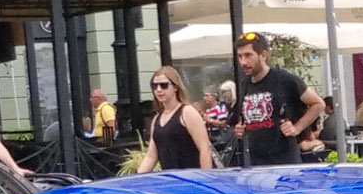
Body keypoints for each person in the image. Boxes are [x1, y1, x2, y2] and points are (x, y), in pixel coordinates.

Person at [232, 32, 324, 165]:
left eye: (248, 56)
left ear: (263, 55)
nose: (243, 62)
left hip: (284, 162)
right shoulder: (244, 84)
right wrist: (240, 129)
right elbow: (242, 120)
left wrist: (297, 128)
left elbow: (318, 103)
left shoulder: (283, 79)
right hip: (256, 163)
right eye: (240, 57)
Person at [135, 67, 215, 172]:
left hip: (192, 178)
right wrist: (136, 178)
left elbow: (204, 148)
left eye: (164, 85)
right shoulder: (157, 119)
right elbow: (152, 156)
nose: (159, 90)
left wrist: (205, 178)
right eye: (154, 86)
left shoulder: (187, 112)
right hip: (172, 181)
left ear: (175, 87)